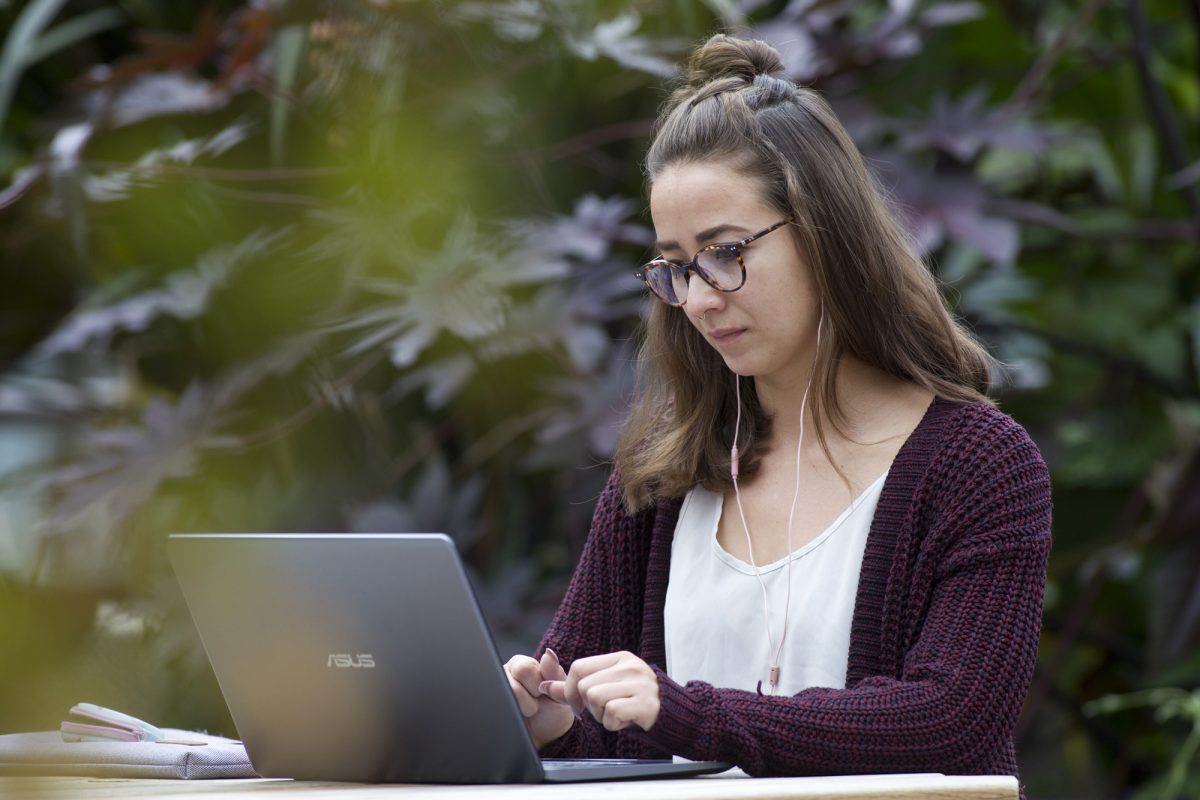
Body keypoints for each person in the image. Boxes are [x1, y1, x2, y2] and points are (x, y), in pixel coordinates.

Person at [504, 33, 1052, 785]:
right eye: (675, 267)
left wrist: (687, 713)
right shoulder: (666, 474)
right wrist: (554, 720)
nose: (697, 299)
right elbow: (614, 738)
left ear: (826, 232)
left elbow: (949, 725)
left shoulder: (978, 463)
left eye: (727, 253)